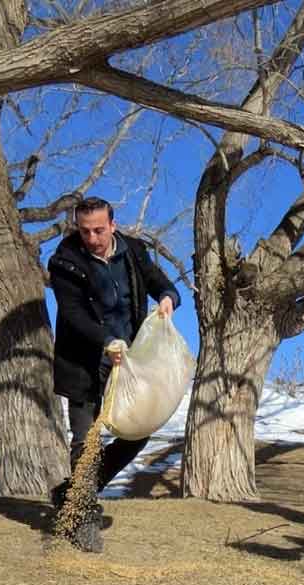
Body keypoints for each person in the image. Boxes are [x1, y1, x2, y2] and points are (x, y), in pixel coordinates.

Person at [47, 196, 180, 552]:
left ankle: (70, 494)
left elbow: (158, 281)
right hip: (83, 363)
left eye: (99, 230)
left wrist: (167, 297)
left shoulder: (133, 251)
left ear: (113, 226)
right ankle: (84, 519)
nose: (92, 238)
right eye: (85, 230)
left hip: (129, 364)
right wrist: (106, 341)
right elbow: (74, 314)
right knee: (85, 440)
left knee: (138, 433)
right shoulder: (64, 262)